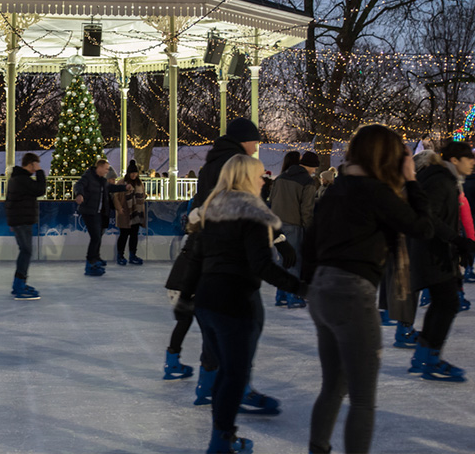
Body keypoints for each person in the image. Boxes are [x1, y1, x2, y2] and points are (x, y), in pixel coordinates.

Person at [302, 124, 433, 454]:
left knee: (334, 384)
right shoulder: (376, 192)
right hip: (351, 294)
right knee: (362, 398)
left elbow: (310, 245)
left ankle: (317, 449)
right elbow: (423, 227)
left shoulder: (337, 189)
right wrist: (413, 181)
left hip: (322, 290)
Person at [181, 154, 307, 453]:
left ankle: (222, 438)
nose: (264, 179)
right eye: (260, 175)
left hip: (207, 303)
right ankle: (221, 442)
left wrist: (186, 298)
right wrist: (300, 287)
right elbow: (262, 265)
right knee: (233, 377)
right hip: (234, 304)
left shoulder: (211, 210)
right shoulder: (250, 213)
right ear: (247, 178)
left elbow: (196, 257)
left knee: (226, 374)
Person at [401, 142, 474, 381]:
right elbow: (428, 214)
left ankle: (423, 355)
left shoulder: (445, 179)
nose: (472, 162)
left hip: (436, 249)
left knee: (444, 302)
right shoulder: (442, 180)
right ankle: (429, 358)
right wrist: (456, 239)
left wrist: (457, 243)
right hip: (431, 250)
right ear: (454, 160)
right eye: (468, 158)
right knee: (448, 302)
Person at [269, 150, 319, 308]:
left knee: (283, 260)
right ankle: (293, 295)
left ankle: (281, 294)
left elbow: (272, 199)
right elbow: (307, 209)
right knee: (294, 260)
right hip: (293, 224)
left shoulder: (281, 178)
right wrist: (309, 230)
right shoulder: (307, 182)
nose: (314, 171)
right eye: (315, 168)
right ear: (311, 167)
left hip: (276, 224)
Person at [74, 159, 131, 276]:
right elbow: (78, 185)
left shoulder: (102, 181)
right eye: (106, 168)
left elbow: (111, 187)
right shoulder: (88, 176)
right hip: (89, 212)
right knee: (95, 237)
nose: (107, 171)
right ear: (99, 168)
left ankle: (96, 258)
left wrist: (124, 187)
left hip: (98, 213)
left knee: (98, 236)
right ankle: (90, 264)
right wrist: (79, 194)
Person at [5, 152, 46, 299]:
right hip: (21, 221)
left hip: (20, 220)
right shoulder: (21, 179)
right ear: (30, 164)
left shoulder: (19, 178)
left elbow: (8, 201)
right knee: (26, 251)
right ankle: (19, 285)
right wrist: (40, 171)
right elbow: (40, 189)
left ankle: (19, 283)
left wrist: (11, 221)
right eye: (35, 165)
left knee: (25, 251)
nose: (36, 169)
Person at [113, 159, 146, 266]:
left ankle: (132, 255)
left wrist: (143, 198)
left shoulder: (139, 183)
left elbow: (143, 194)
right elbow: (115, 196)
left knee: (134, 235)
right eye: (132, 173)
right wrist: (119, 208)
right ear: (128, 173)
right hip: (125, 213)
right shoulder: (122, 182)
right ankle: (120, 255)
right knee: (124, 235)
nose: (133, 175)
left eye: (135, 173)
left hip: (136, 213)